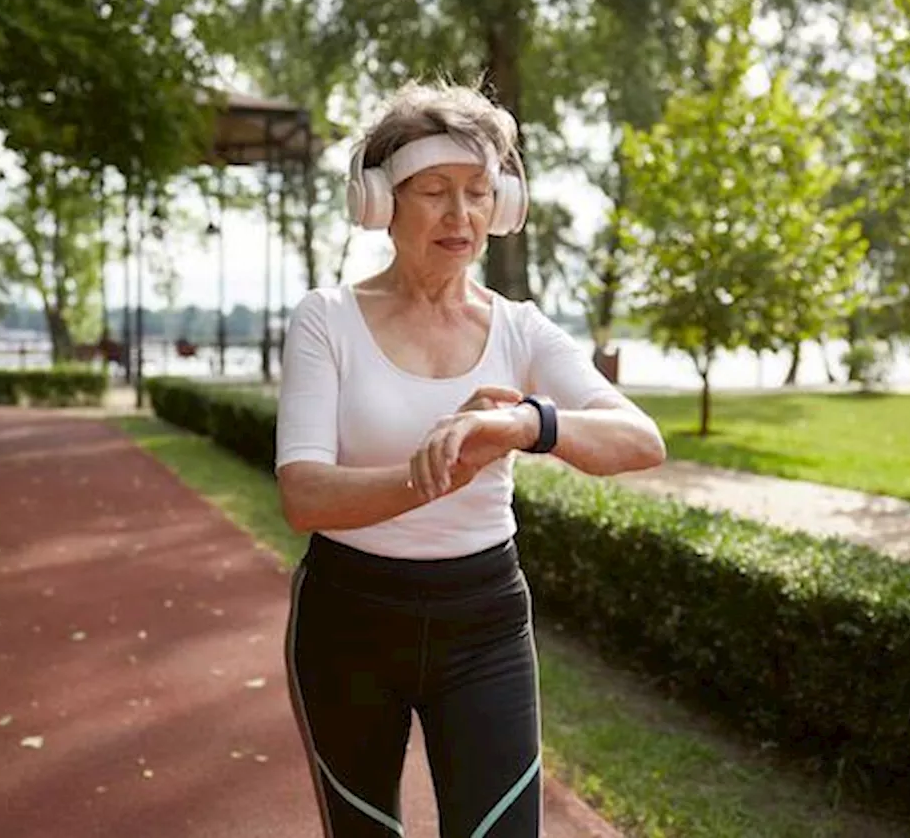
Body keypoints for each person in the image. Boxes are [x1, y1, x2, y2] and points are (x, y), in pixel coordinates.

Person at [274, 79, 666, 838]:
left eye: (480, 192)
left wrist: (526, 425)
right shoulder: (326, 321)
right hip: (347, 623)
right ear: (381, 203)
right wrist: (441, 467)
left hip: (483, 625)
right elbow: (305, 497)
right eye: (435, 192)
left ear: (504, 206)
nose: (461, 216)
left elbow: (640, 441)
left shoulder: (519, 329)